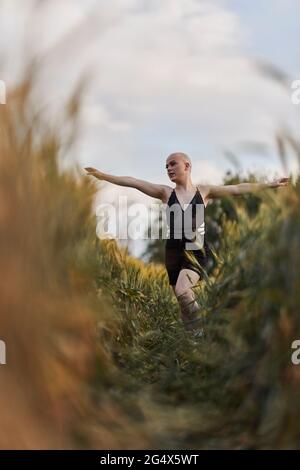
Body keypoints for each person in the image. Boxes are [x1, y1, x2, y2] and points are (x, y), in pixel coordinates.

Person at [84, 152, 289, 336]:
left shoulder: (205, 192)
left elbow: (237, 188)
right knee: (183, 303)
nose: (169, 169)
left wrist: (269, 184)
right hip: (173, 252)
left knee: (183, 291)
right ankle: (191, 344)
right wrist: (104, 176)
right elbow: (134, 181)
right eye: (166, 167)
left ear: (187, 166)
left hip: (196, 250)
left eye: (173, 164)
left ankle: (205, 332)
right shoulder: (166, 193)